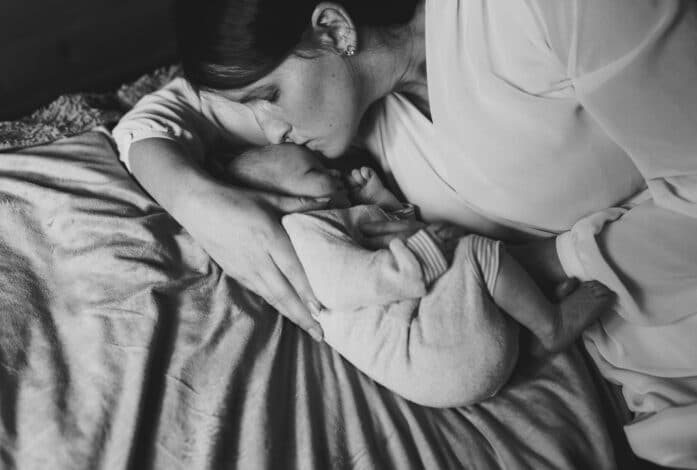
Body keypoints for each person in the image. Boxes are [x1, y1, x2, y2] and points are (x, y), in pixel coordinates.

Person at [112, 0, 697, 466]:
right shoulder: (345, 109)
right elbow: (149, 121)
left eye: (267, 98)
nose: (269, 131)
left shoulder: (540, 14)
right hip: (627, 376)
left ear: (334, 28)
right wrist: (206, 206)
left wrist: (542, 261)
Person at [220, 143, 613, 406]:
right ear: (286, 200)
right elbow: (364, 281)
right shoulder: (304, 237)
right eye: (313, 171)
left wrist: (381, 201)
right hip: (432, 352)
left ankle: (528, 340)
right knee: (474, 252)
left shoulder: (334, 217)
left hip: (456, 361)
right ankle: (550, 323)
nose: (332, 171)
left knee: (460, 263)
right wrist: (428, 246)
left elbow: (393, 236)